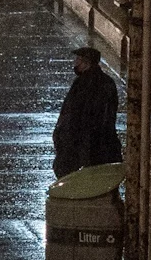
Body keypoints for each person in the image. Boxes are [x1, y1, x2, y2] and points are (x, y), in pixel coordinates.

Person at [52, 46, 123, 179]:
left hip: (83, 142)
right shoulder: (106, 82)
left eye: (78, 59)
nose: (75, 63)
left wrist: (62, 135)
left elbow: (73, 113)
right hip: (100, 141)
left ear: (86, 62)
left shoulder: (82, 83)